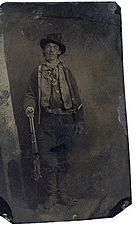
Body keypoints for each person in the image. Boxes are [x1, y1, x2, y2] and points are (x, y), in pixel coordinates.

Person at [24, 33, 85, 209]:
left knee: (63, 158)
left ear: (59, 52)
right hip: (47, 121)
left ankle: (63, 194)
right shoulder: (37, 72)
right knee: (48, 160)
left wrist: (79, 121)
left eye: (55, 47)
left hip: (66, 121)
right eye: (48, 47)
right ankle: (51, 195)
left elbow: (76, 97)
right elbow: (30, 94)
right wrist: (30, 106)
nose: (51, 50)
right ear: (43, 50)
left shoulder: (66, 72)